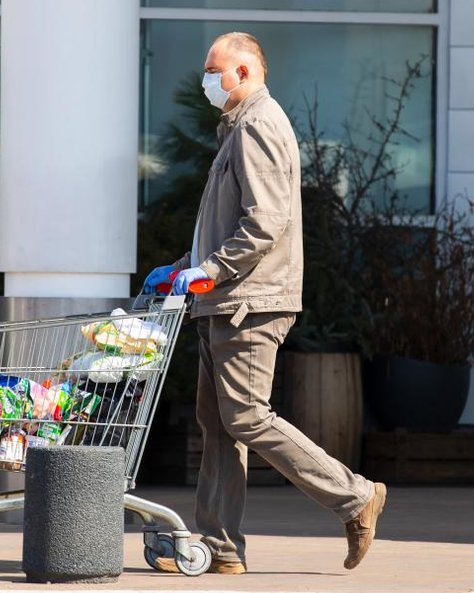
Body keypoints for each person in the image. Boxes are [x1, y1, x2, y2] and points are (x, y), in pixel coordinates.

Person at [143, 32, 386, 575]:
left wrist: (209, 270)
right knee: (219, 423)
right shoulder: (236, 127)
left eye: (214, 71)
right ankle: (221, 548)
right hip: (224, 300)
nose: (207, 81)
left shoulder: (258, 125)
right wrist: (187, 264)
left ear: (245, 73)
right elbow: (232, 224)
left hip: (249, 302)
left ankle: (355, 496)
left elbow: (265, 224)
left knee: (246, 417)